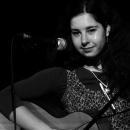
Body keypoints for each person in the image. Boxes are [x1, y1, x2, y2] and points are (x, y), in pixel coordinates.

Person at [0, 0, 130, 129]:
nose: (84, 40)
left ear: (107, 30)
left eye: (91, 30)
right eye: (76, 33)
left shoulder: (125, 69)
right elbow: (4, 96)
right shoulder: (63, 76)